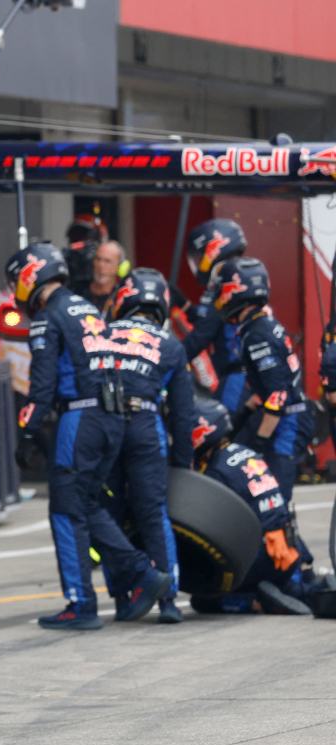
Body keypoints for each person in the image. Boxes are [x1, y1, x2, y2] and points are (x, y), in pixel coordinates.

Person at [7, 241, 174, 630]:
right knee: (86, 503)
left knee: (65, 509)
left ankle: (81, 602)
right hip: (113, 419)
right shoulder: (87, 309)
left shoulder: (49, 317)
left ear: (30, 276)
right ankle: (142, 574)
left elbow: (43, 385)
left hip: (81, 417)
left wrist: (28, 433)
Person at [103, 267, 194, 624]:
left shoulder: (104, 333)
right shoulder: (171, 346)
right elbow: (183, 414)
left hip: (106, 424)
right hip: (145, 425)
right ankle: (169, 600)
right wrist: (183, 466)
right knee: (153, 514)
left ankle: (124, 596)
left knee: (109, 512)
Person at [190, 399, 314, 615]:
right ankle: (298, 586)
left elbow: (215, 532)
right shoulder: (246, 452)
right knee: (295, 586)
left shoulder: (215, 473)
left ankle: (253, 602)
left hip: (259, 559)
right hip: (289, 552)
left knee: (201, 601)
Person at [210, 257, 313, 509]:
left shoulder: (257, 334)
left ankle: (283, 544)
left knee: (273, 500)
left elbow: (277, 395)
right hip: (285, 414)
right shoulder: (258, 325)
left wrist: (258, 442)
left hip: (288, 420)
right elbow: (266, 390)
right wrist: (243, 416)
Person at [180, 218, 248, 412]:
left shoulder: (225, 285)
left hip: (236, 377)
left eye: (199, 257)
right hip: (251, 375)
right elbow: (213, 320)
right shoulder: (244, 276)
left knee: (225, 433)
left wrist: (165, 358)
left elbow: (201, 335)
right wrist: (185, 306)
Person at [85, 240, 127, 315]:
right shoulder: (78, 291)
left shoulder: (123, 298)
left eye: (107, 261)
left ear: (120, 267)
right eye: (98, 259)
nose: (101, 265)